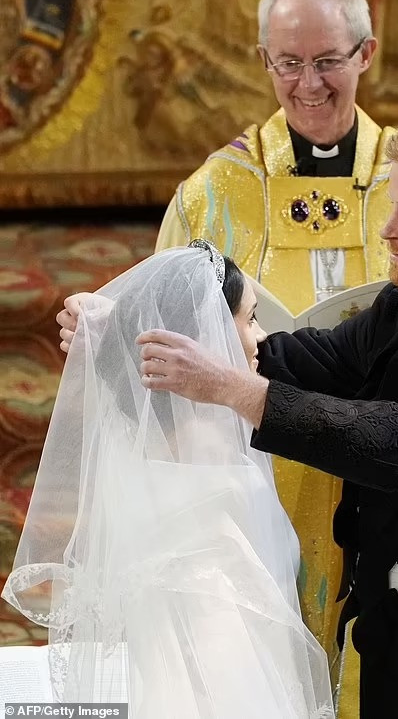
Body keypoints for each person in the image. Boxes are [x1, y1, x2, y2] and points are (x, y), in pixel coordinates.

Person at [130, 111, 398, 719]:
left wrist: (235, 391)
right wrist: (118, 332)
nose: (388, 230)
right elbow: (301, 359)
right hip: (396, 639)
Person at [153, 0, 395, 691]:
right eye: (289, 63)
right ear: (265, 60)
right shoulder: (214, 192)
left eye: (328, 61)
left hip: (389, 460)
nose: (308, 83)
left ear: (366, 54)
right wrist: (100, 321)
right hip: (258, 467)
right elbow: (161, 321)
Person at [4, 241, 334, 719]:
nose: (260, 337)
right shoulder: (211, 436)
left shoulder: (148, 425)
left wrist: (116, 324)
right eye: (249, 319)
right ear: (207, 333)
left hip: (169, 647)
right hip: (222, 639)